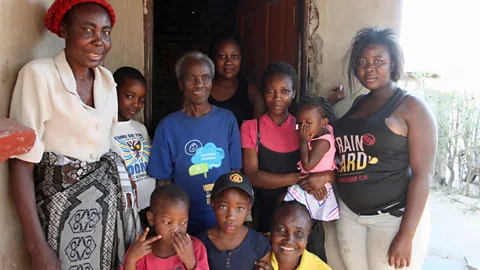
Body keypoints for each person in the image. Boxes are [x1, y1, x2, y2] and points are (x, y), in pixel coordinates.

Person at [8, 1, 132, 269]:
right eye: (87, 29)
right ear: (64, 30)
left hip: (103, 212)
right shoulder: (39, 76)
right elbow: (20, 164)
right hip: (56, 216)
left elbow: (104, 151)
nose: (99, 41)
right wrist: (37, 247)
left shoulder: (108, 82)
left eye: (106, 32)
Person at [334, 27, 436, 270]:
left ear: (392, 64)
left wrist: (406, 236)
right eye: (362, 62)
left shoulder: (412, 108)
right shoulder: (359, 103)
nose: (369, 67)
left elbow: (423, 176)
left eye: (378, 61)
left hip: (391, 219)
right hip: (350, 217)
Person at [241, 62, 334, 262]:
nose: (277, 98)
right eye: (270, 91)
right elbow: (253, 176)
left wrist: (322, 178)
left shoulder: (305, 126)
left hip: (304, 214)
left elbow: (330, 161)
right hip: (265, 212)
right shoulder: (250, 128)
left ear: (293, 93)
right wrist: (301, 179)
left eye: (284, 91)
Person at [148, 51, 242, 235]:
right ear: (181, 84)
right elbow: (164, 184)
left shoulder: (227, 120)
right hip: (182, 224)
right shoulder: (168, 126)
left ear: (212, 82)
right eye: (192, 78)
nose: (200, 84)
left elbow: (235, 174)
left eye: (205, 78)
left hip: (221, 223)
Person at [122, 184, 209, 270]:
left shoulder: (196, 248)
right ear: (151, 219)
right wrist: (131, 260)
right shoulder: (140, 251)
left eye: (183, 222)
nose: (176, 229)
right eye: (168, 222)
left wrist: (191, 262)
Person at [197, 172, 271, 269]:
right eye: (223, 206)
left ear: (249, 207)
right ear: (212, 204)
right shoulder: (200, 243)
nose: (231, 216)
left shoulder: (259, 244)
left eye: (239, 208)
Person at [284, 96, 339, 222]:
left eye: (308, 123)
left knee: (294, 211)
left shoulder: (322, 143)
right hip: (311, 181)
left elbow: (308, 165)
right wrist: (333, 102)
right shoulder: (326, 129)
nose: (303, 128)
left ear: (323, 123)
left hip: (315, 184)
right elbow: (323, 115)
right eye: (299, 124)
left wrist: (303, 142)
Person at [111, 66, 156, 211]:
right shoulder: (103, 129)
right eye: (129, 96)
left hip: (150, 205)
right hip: (123, 210)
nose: (136, 104)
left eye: (141, 99)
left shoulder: (140, 128)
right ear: (113, 92)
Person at [255, 201, 331, 270]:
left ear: (307, 237)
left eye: (299, 233)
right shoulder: (253, 254)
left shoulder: (320, 268)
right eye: (281, 229)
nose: (289, 240)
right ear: (271, 230)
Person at [209, 35, 266, 127]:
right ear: (214, 59)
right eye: (222, 56)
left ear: (241, 59)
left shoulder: (252, 93)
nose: (228, 62)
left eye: (234, 56)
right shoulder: (202, 89)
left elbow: (258, 134)